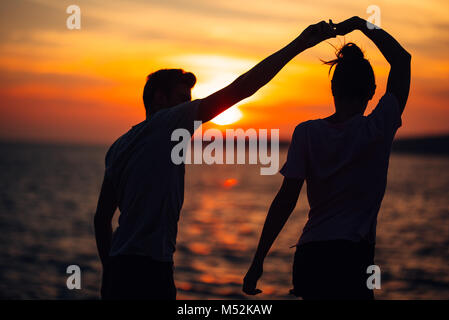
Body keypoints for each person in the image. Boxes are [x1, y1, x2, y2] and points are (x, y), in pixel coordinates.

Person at [94, 21, 337, 299]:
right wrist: (300, 43)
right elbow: (243, 87)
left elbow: (102, 219)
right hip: (149, 271)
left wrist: (109, 271)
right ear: (160, 98)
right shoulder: (170, 122)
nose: (189, 106)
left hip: (122, 268)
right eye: (183, 99)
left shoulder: (120, 146)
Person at [243, 16, 411, 300]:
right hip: (352, 257)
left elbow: (285, 200)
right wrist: (361, 24)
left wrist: (258, 260)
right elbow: (402, 60)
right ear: (372, 91)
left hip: (311, 255)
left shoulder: (307, 133)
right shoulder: (378, 128)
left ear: (333, 89)